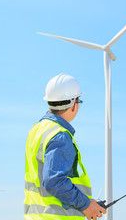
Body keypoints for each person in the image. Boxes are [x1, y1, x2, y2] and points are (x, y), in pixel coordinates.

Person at [24, 73, 106, 220]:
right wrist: (86, 205)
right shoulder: (60, 135)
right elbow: (54, 181)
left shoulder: (37, 129)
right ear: (74, 105)